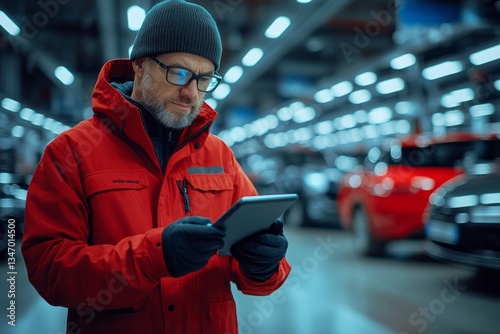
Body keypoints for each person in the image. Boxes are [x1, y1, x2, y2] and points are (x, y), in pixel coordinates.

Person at [21, 1, 291, 333]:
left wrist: (263, 265)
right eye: (178, 73)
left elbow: (259, 278)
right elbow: (50, 271)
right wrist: (153, 258)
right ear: (140, 66)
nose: (191, 92)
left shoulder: (220, 157)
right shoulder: (71, 154)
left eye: (204, 79)